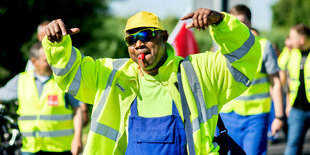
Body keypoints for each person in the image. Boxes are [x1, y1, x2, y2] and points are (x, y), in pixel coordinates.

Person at [42, 8, 261, 154]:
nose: (137, 44)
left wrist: (222, 23)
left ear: (164, 37)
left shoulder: (197, 72)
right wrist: (58, 44)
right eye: (131, 39)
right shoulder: (112, 75)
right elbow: (70, 75)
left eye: (144, 36)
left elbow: (245, 58)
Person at [220, 4, 284, 155]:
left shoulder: (264, 46)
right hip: (228, 116)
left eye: (242, 22)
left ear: (249, 23)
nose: (238, 26)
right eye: (234, 22)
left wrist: (279, 116)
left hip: (256, 117)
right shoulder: (221, 45)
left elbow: (275, 82)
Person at [0, 42, 83, 155]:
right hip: (29, 149)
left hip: (59, 149)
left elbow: (77, 109)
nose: (50, 63)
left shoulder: (62, 81)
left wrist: (78, 138)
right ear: (34, 61)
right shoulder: (21, 80)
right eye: (46, 60)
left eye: (51, 59)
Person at [284, 24, 310, 155]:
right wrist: (288, 104)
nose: (290, 40)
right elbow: (281, 67)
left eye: (293, 37)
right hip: (297, 109)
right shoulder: (292, 53)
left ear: (302, 39)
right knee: (292, 146)